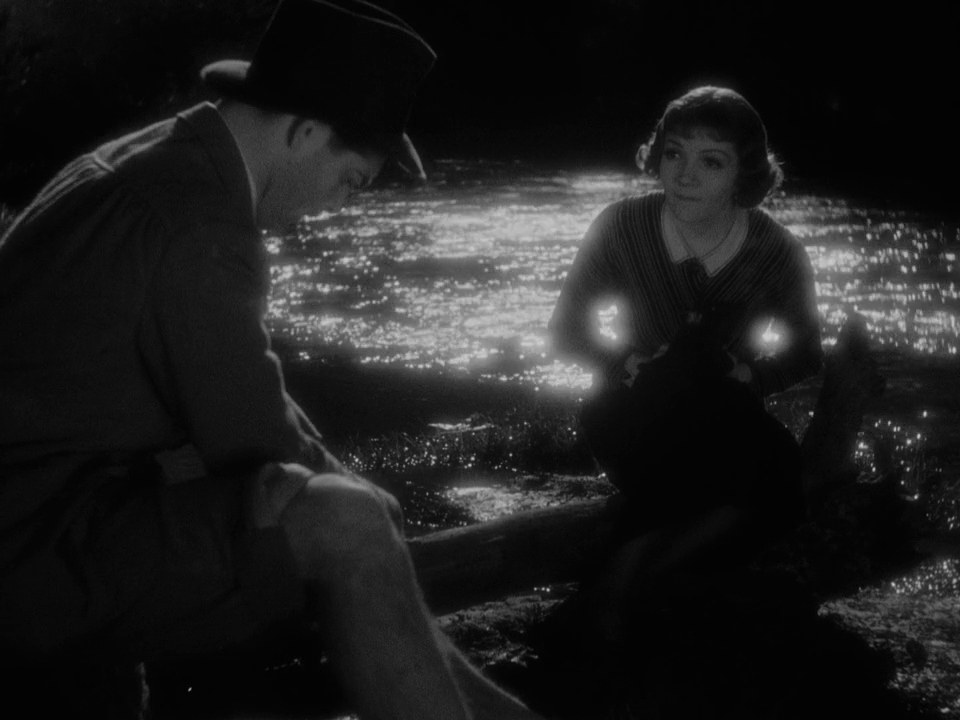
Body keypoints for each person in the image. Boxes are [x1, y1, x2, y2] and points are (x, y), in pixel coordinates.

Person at [0, 2, 542, 719]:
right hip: (33, 547)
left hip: (47, 507)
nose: (336, 207)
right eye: (350, 181)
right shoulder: (199, 223)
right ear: (304, 131)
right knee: (347, 524)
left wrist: (350, 483)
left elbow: (245, 392)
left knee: (352, 505)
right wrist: (364, 508)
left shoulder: (154, 161)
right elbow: (252, 437)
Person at [548, 85, 824, 645]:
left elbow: (805, 352)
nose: (684, 175)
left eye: (711, 161)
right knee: (713, 451)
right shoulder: (621, 225)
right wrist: (624, 360)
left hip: (724, 417)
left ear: (744, 173)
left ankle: (624, 579)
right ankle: (628, 587)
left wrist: (751, 375)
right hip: (631, 411)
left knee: (777, 476)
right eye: (674, 153)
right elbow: (565, 330)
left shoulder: (778, 251)